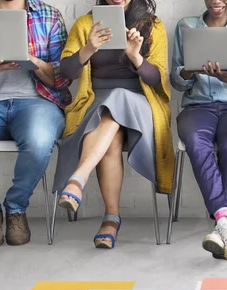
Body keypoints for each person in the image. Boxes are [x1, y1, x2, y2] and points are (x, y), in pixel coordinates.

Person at [54, 0, 173, 249]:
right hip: (96, 102)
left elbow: (158, 79)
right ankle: (111, 218)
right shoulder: (86, 24)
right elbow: (66, 72)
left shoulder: (153, 25)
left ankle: (78, 179)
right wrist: (88, 49)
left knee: (117, 99)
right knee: (111, 136)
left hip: (141, 103)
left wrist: (135, 57)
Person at [171, 0, 227, 260]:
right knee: (196, 141)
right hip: (198, 107)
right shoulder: (186, 26)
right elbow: (177, 80)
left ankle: (223, 225)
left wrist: (225, 77)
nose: (216, 0)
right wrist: (192, 69)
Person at [0, 0, 70, 248]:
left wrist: (34, 61)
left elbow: (63, 77)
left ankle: (16, 208)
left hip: (37, 102)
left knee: (39, 141)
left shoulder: (48, 15)